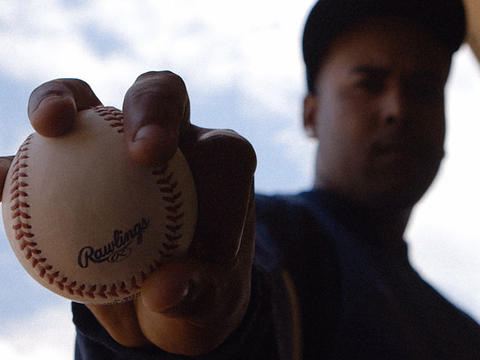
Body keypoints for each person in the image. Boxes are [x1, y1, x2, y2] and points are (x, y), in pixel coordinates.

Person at [1, 0, 480, 358]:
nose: (397, 109)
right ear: (310, 115)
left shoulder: (464, 332)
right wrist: (174, 339)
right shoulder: (265, 233)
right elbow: (250, 293)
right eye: (368, 83)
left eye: (423, 89)